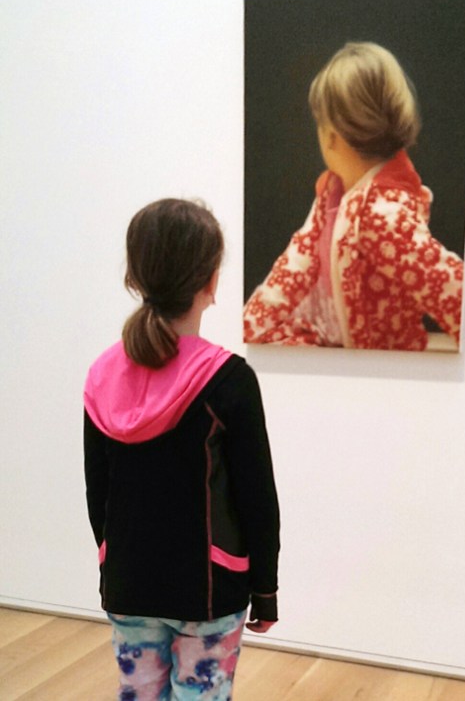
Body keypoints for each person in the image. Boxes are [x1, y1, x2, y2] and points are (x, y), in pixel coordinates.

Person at [84, 199, 280, 701]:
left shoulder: (102, 374)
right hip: (210, 590)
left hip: (128, 585)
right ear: (211, 282)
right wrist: (265, 590)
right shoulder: (230, 380)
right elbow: (257, 499)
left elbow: (97, 495)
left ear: (134, 276)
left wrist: (112, 562)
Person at [243, 42, 464, 351]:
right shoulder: (332, 193)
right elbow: (295, 266)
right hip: (328, 340)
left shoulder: (382, 213)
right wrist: (247, 328)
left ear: (331, 136)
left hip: (380, 365)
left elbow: (449, 287)